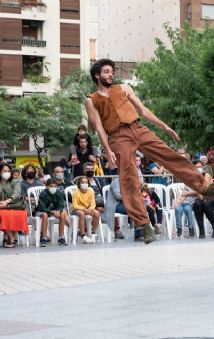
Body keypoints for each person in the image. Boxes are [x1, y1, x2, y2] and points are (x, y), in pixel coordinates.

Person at [84, 58, 205, 244]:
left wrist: (164, 127)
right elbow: (99, 126)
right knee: (129, 178)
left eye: (112, 71)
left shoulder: (124, 88)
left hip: (138, 128)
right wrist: (107, 150)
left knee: (169, 155)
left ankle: (202, 185)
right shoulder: (91, 100)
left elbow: (143, 110)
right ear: (97, 75)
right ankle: (144, 225)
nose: (111, 74)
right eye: (106, 71)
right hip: (118, 137)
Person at [0, 163, 28, 248]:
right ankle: (12, 238)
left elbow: (17, 194)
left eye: (9, 171)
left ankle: (9, 236)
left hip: (14, 206)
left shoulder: (15, 182)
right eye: (4, 171)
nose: (7, 173)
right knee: (4, 214)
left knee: (19, 214)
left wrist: (6, 201)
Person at [36, 178, 69, 246]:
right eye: (51, 186)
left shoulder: (59, 193)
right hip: (42, 211)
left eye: (55, 186)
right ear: (47, 186)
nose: (53, 188)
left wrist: (59, 211)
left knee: (63, 214)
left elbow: (61, 205)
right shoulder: (43, 193)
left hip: (55, 212)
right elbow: (41, 207)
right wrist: (51, 212)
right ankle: (44, 238)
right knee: (45, 215)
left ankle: (61, 237)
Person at [193, 171, 214, 238]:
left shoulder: (206, 175)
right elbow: (200, 195)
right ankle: (201, 230)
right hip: (203, 200)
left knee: (206, 204)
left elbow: (202, 189)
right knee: (197, 204)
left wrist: (187, 193)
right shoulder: (194, 177)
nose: (198, 168)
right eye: (196, 167)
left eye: (199, 166)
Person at [71, 176, 101, 244]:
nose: (85, 184)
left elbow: (93, 203)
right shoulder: (75, 192)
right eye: (83, 182)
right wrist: (84, 209)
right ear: (79, 184)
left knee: (97, 213)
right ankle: (83, 235)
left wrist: (90, 209)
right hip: (76, 210)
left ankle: (93, 233)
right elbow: (75, 205)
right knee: (81, 213)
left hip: (88, 209)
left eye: (86, 182)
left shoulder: (90, 191)